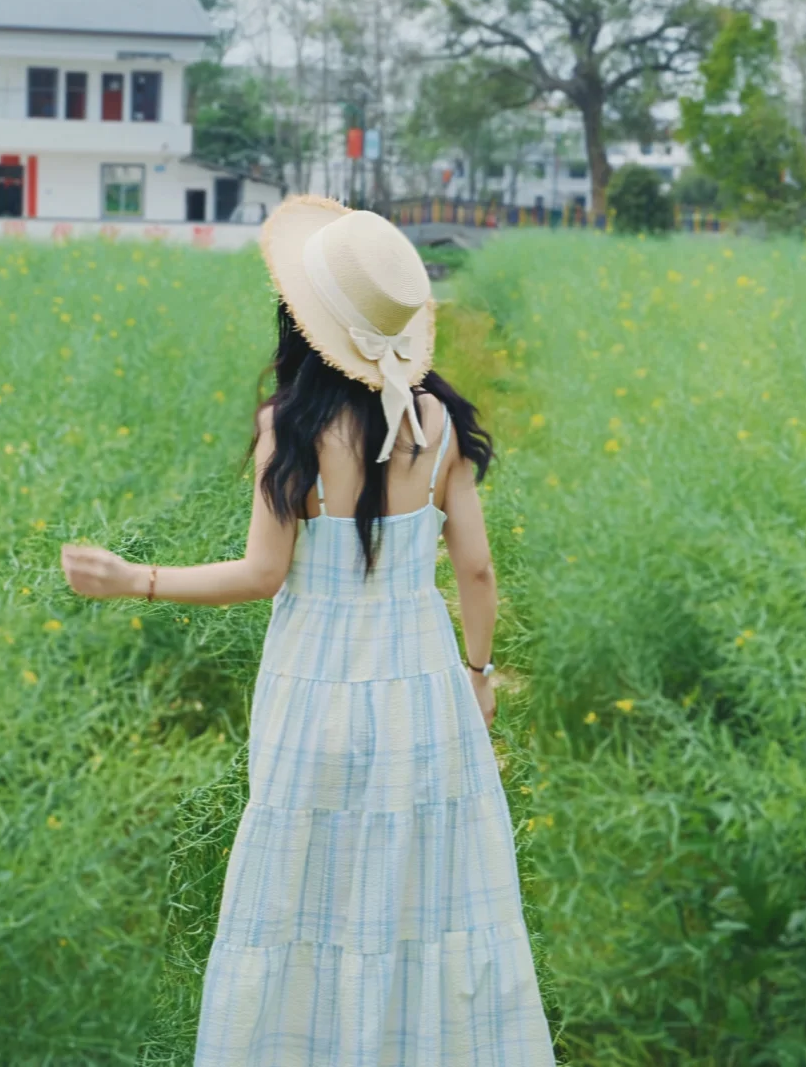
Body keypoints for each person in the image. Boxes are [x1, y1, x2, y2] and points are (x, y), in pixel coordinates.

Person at [61, 196, 555, 1065]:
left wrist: (131, 579)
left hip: (315, 688)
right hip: (421, 687)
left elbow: (261, 574)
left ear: (303, 320)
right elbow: (475, 572)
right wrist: (478, 672)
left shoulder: (288, 427)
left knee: (304, 893)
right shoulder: (437, 424)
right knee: (424, 891)